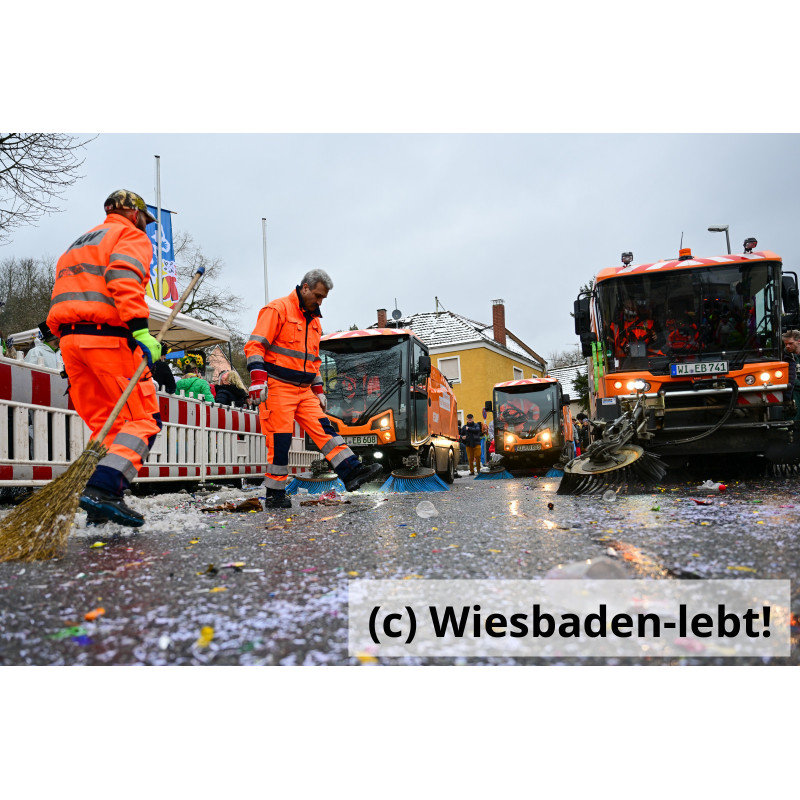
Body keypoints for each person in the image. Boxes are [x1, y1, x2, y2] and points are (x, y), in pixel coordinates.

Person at [46, 189, 163, 527]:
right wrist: (140, 331)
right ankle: (103, 490)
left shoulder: (78, 243)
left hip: (70, 343)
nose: (147, 227)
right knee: (143, 421)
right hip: (107, 342)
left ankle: (99, 511)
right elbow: (123, 277)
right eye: (145, 219)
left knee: (108, 425)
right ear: (134, 213)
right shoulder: (130, 235)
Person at [244, 268, 382, 509]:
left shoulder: (315, 322)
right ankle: (275, 494)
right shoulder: (277, 310)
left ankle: (351, 472)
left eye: (323, 298)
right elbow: (255, 346)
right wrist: (258, 379)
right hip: (278, 387)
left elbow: (313, 362)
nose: (319, 302)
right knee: (280, 441)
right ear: (304, 287)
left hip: (304, 390)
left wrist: (318, 390)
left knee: (326, 431)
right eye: (317, 296)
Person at [782, 329, 800, 428]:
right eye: (785, 344)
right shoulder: (784, 357)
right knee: (794, 420)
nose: (787, 346)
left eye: (790, 343)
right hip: (794, 392)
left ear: (799, 341)